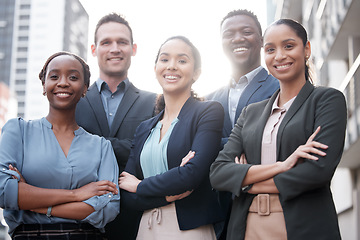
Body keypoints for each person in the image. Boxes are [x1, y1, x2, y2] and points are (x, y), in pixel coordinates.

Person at [210, 19, 347, 240]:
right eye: (271, 49)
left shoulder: (326, 100)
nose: (279, 56)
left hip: (303, 225)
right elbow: (218, 173)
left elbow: (316, 171)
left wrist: (246, 183)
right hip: (247, 226)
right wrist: (283, 166)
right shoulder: (251, 113)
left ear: (307, 49)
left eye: (289, 46)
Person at [0, 51, 120, 239]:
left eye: (73, 77)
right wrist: (77, 195)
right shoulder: (19, 131)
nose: (63, 82)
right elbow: (3, 192)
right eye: (54, 76)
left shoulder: (101, 146)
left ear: (84, 88)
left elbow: (108, 208)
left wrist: (29, 200)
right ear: (44, 85)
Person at [119, 36, 224, 240]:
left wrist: (140, 186)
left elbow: (191, 175)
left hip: (189, 230)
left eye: (182, 60)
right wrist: (165, 196)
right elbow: (125, 192)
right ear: (156, 67)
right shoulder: (144, 129)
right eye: (165, 59)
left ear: (196, 73)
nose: (172, 66)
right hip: (146, 228)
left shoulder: (208, 112)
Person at [75, 13, 157, 239]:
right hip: (79, 220)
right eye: (106, 42)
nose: (115, 49)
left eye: (122, 42)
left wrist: (89, 142)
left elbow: (149, 154)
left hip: (136, 221)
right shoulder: (73, 101)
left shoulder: (154, 102)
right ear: (93, 49)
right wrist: (129, 146)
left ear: (133, 48)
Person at [206, 9, 279, 239]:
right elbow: (198, 148)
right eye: (229, 34)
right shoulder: (209, 99)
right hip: (215, 214)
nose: (237, 38)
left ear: (261, 40)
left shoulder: (279, 87)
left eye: (246, 32)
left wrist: (217, 148)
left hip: (264, 207)